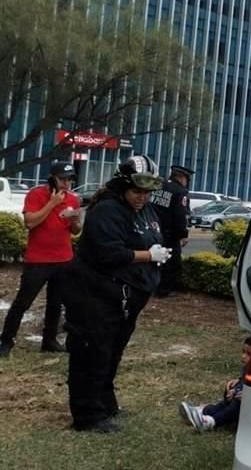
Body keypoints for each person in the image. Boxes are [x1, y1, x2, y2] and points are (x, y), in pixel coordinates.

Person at [63, 155, 172, 433]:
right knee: (92, 354)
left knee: (112, 353)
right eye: (137, 191)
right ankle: (87, 416)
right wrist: (147, 255)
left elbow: (154, 237)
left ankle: (105, 403)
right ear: (122, 186)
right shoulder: (107, 210)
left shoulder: (145, 210)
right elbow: (107, 252)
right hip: (96, 296)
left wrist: (158, 255)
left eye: (147, 193)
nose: (142, 198)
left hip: (126, 298)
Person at [0, 161, 82, 357]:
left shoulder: (72, 198)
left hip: (63, 258)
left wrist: (75, 220)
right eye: (62, 179)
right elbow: (30, 223)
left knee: (56, 302)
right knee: (23, 302)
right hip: (38, 259)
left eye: (70, 180)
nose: (66, 184)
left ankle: (49, 339)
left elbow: (75, 231)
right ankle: (6, 340)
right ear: (53, 178)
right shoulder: (36, 194)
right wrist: (52, 204)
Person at [178, 334, 251, 432]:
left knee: (236, 406)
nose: (243, 356)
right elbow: (243, 382)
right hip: (238, 401)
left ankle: (210, 422)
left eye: (249, 354)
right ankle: (202, 412)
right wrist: (234, 390)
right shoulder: (247, 368)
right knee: (226, 400)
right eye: (243, 352)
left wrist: (250, 395)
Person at [150, 165, 194, 297]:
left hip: (153, 229)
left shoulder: (158, 186)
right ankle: (164, 291)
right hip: (170, 233)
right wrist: (183, 234)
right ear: (181, 178)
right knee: (172, 263)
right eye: (187, 179)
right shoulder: (180, 192)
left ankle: (153, 287)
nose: (187, 182)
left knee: (154, 259)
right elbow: (180, 215)